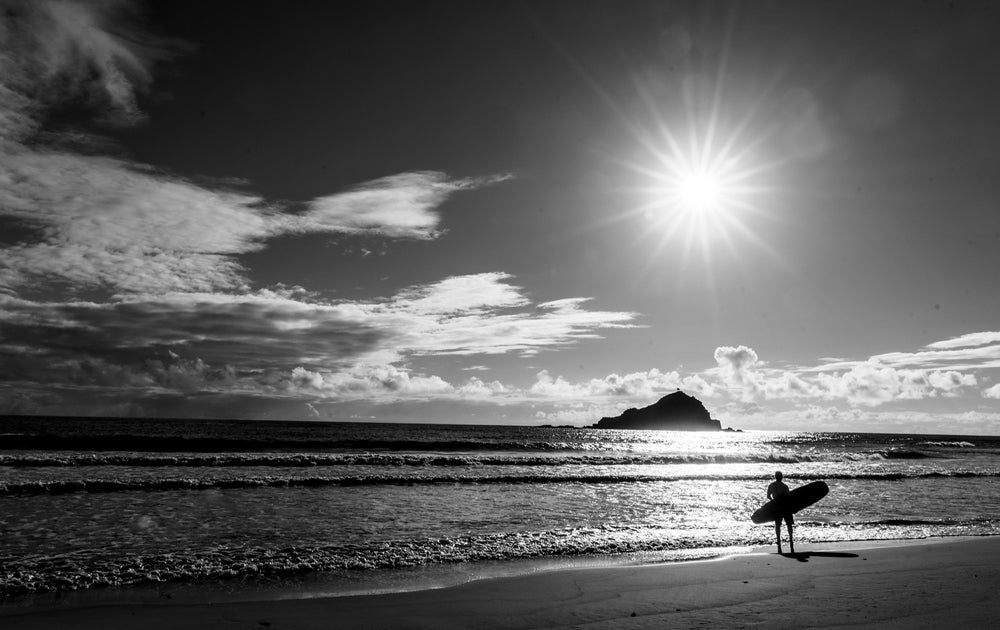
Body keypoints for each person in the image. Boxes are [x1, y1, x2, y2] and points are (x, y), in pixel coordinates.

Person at [767, 471, 794, 554]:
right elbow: (788, 497)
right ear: (781, 477)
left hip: (777, 507)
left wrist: (773, 501)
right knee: (789, 524)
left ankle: (778, 540)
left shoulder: (771, 485)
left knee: (778, 525)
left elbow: (768, 496)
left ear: (775, 477)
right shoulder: (784, 486)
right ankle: (791, 540)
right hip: (785, 507)